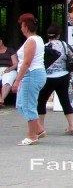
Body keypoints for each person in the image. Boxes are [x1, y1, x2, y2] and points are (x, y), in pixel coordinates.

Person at [37, 25, 73, 137]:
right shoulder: (64, 45)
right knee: (65, 101)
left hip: (48, 77)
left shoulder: (45, 46)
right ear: (58, 35)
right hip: (63, 76)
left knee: (42, 101)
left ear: (48, 35)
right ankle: (71, 126)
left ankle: (40, 127)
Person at [12, 13, 46, 145]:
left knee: (27, 104)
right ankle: (39, 129)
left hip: (31, 74)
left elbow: (27, 62)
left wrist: (17, 80)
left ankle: (32, 136)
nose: (20, 28)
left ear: (25, 26)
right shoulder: (37, 39)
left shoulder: (32, 41)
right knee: (21, 104)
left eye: (21, 25)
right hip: (35, 74)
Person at [0, 36, 19, 107]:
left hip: (9, 69)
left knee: (7, 81)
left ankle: (1, 99)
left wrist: (9, 69)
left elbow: (16, 63)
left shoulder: (10, 50)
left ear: (1, 41)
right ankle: (1, 101)